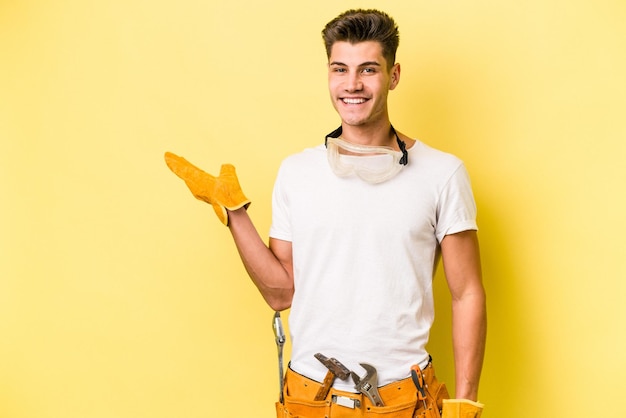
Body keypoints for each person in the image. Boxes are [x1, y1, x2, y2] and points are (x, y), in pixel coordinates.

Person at [165, 9, 486, 418]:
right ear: (329, 74)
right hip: (310, 399)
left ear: (394, 75)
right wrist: (233, 212)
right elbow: (281, 293)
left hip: (405, 401)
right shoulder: (297, 172)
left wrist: (465, 404)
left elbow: (467, 292)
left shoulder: (442, 173)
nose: (352, 85)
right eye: (340, 69)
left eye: (368, 69)